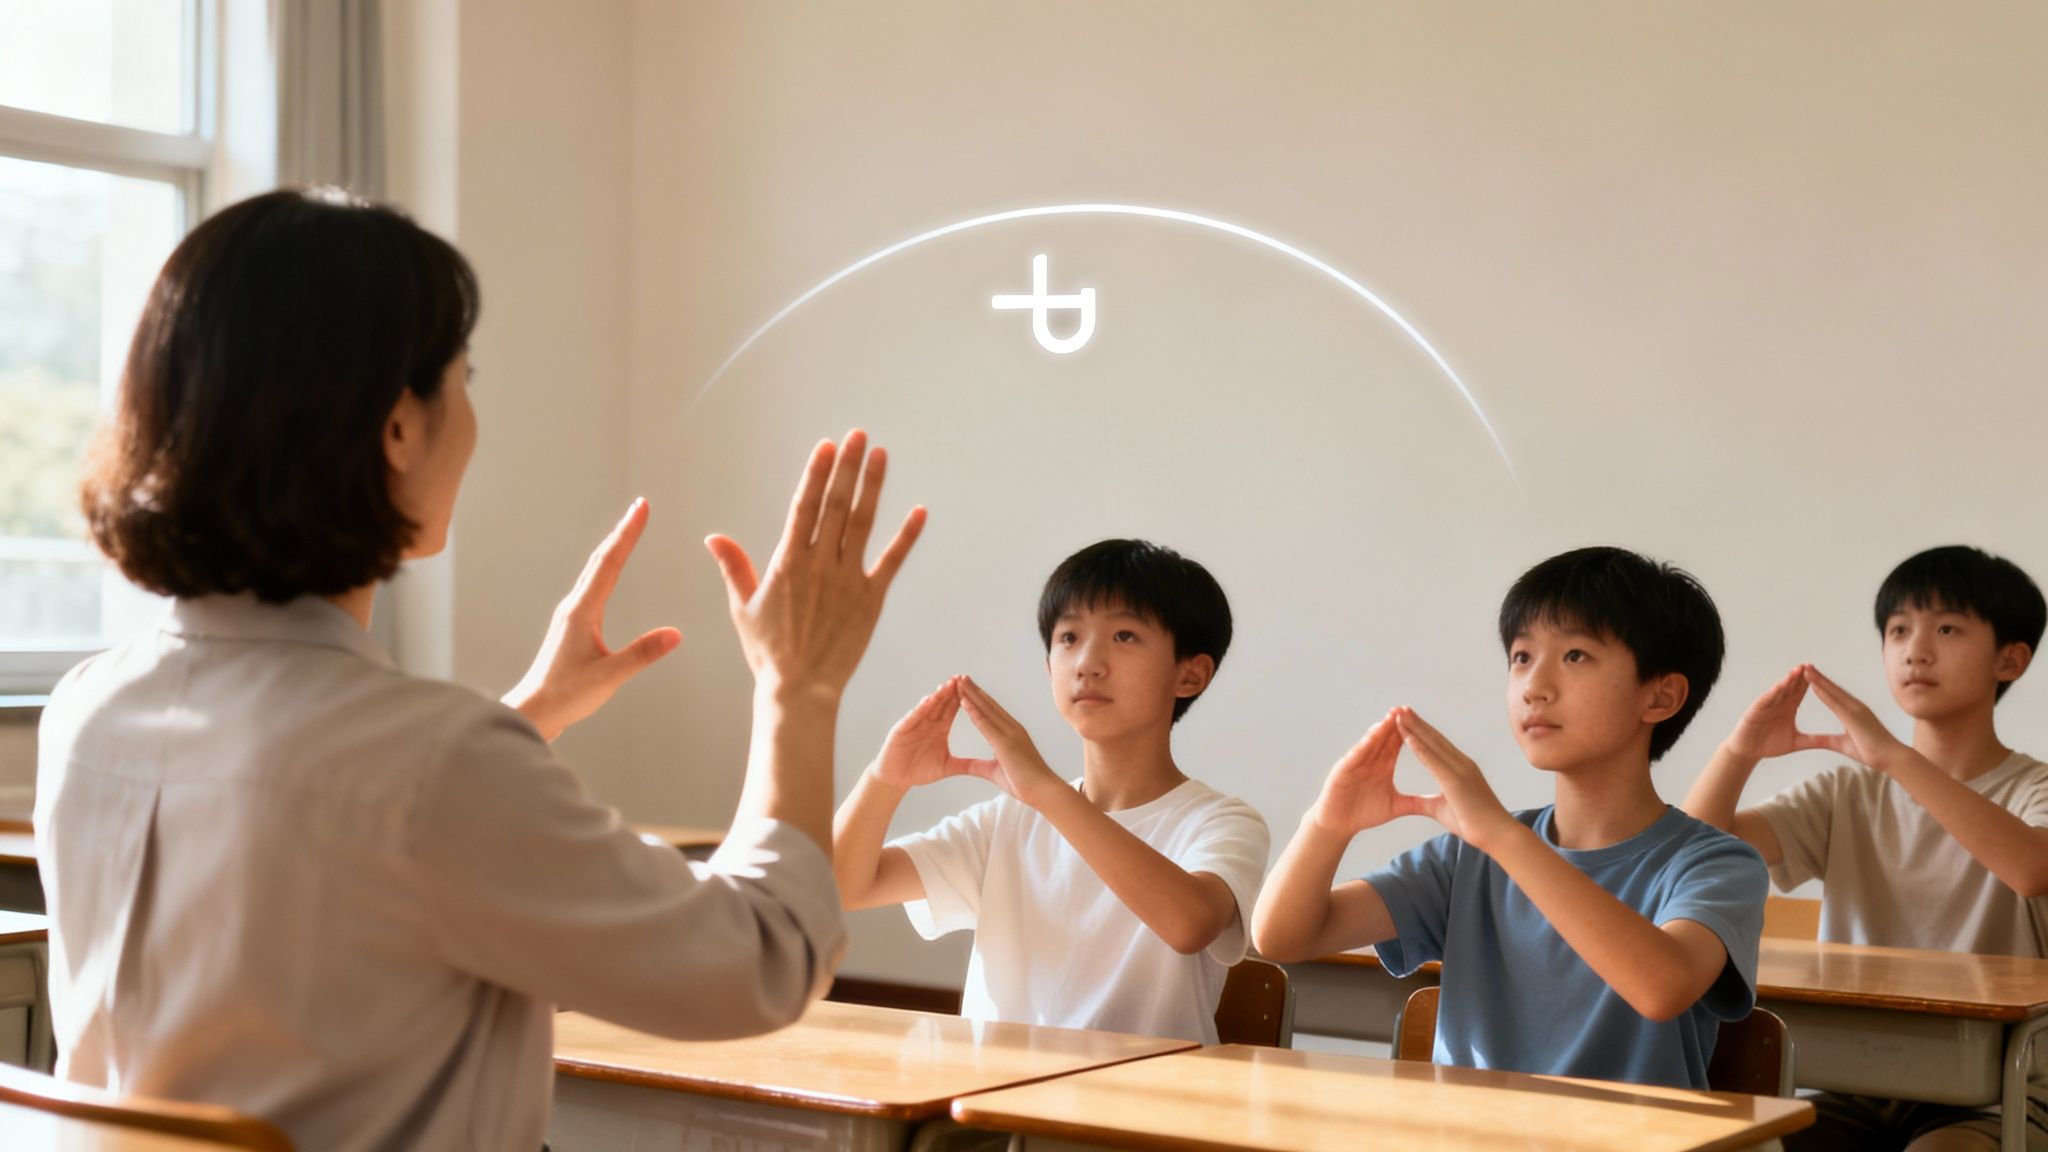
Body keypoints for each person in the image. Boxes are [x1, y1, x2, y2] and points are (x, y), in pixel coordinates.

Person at [34, 186, 925, 1150]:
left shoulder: (89, 710)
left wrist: (526, 717)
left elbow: (327, 839)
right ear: (399, 428)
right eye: (463, 377)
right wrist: (801, 688)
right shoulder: (432, 764)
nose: (471, 417)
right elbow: (763, 960)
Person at [1254, 546, 1767, 1089]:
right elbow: (1284, 937)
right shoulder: (1471, 855)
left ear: (1661, 697)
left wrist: (1500, 834)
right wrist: (1327, 824)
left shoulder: (1718, 863)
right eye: (1521, 657)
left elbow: (1661, 987)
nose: (1534, 687)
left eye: (1575, 656)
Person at [1684, 545, 2047, 1151]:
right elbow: (1691, 852)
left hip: (2003, 1093)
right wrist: (1738, 752)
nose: (1915, 649)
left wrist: (1894, 758)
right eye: (1898, 629)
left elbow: (2032, 869)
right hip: (1855, 1082)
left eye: (1947, 627)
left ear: (2010, 659)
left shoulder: (2032, 787)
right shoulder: (1847, 789)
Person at [831, 539, 1268, 1043]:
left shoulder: (1222, 822)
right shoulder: (1009, 821)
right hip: (994, 1101)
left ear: (1190, 674)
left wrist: (1045, 791)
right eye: (1068, 638)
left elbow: (1188, 924)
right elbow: (841, 886)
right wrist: (885, 780)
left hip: (1136, 1110)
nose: (1087, 662)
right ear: (1050, 669)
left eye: (1124, 635)